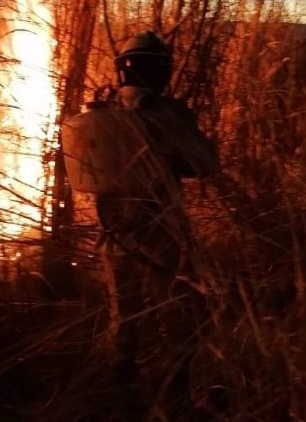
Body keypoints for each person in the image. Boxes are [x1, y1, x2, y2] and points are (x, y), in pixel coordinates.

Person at [94, 31, 218, 382]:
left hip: (114, 233)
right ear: (161, 70)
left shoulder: (99, 113)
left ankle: (122, 391)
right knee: (180, 311)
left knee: (124, 317)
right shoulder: (168, 114)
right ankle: (178, 391)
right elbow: (205, 163)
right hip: (161, 232)